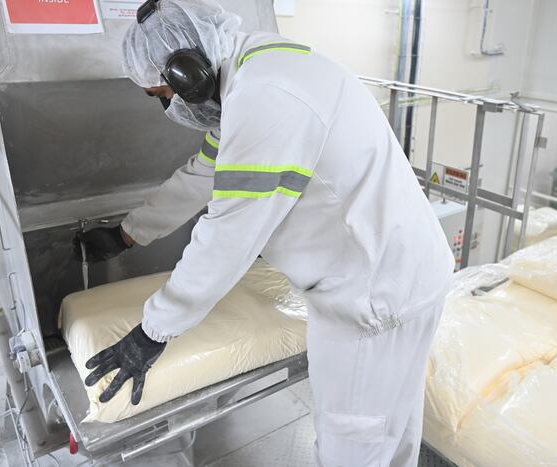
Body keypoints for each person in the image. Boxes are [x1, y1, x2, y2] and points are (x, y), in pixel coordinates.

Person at [76, 0, 453, 465]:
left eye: (162, 95)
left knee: (353, 442)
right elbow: (204, 172)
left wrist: (153, 331)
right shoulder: (260, 65)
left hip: (370, 297)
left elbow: (229, 233)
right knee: (393, 427)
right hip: (406, 269)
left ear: (187, 74)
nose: (166, 107)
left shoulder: (263, 97)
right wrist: (127, 234)